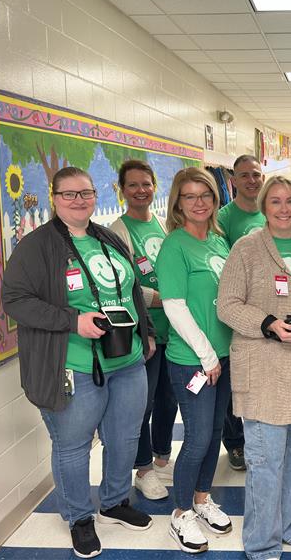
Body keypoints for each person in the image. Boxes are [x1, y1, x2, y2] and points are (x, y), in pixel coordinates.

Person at [2, 166, 154, 559]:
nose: (79, 200)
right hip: (74, 365)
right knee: (73, 446)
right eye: (69, 194)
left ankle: (115, 501)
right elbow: (16, 301)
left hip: (127, 360)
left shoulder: (106, 236)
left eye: (86, 193)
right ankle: (79, 517)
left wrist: (146, 331)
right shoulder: (37, 246)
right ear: (54, 198)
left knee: (124, 438)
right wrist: (74, 321)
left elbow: (134, 291)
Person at [217, 176, 291, 560]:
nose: (284, 208)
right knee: (266, 462)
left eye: (290, 201)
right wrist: (268, 323)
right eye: (275, 201)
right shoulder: (246, 249)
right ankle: (262, 541)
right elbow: (228, 304)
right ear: (264, 206)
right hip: (265, 372)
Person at [156, 167, 233, 554]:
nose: (199, 202)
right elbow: (174, 307)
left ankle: (203, 499)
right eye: (190, 196)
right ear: (178, 203)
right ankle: (181, 512)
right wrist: (206, 355)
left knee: (215, 434)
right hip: (193, 361)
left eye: (205, 194)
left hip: (223, 356)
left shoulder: (219, 242)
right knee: (198, 437)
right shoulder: (175, 245)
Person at [110, 160, 179, 501]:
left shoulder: (163, 225)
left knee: (170, 398)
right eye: (133, 185)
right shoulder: (117, 231)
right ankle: (143, 468)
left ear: (155, 187)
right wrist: (161, 299)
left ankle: (162, 457)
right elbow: (123, 285)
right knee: (143, 403)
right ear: (122, 190)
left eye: (146, 184)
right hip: (145, 331)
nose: (141, 191)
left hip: (174, 329)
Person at [216, 154, 266, 471]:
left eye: (256, 174)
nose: (251, 180)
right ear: (233, 180)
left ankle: (262, 440)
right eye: (244, 175)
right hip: (236, 310)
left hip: (268, 311)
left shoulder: (271, 211)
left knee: (260, 380)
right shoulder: (223, 218)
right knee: (234, 383)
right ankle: (235, 444)